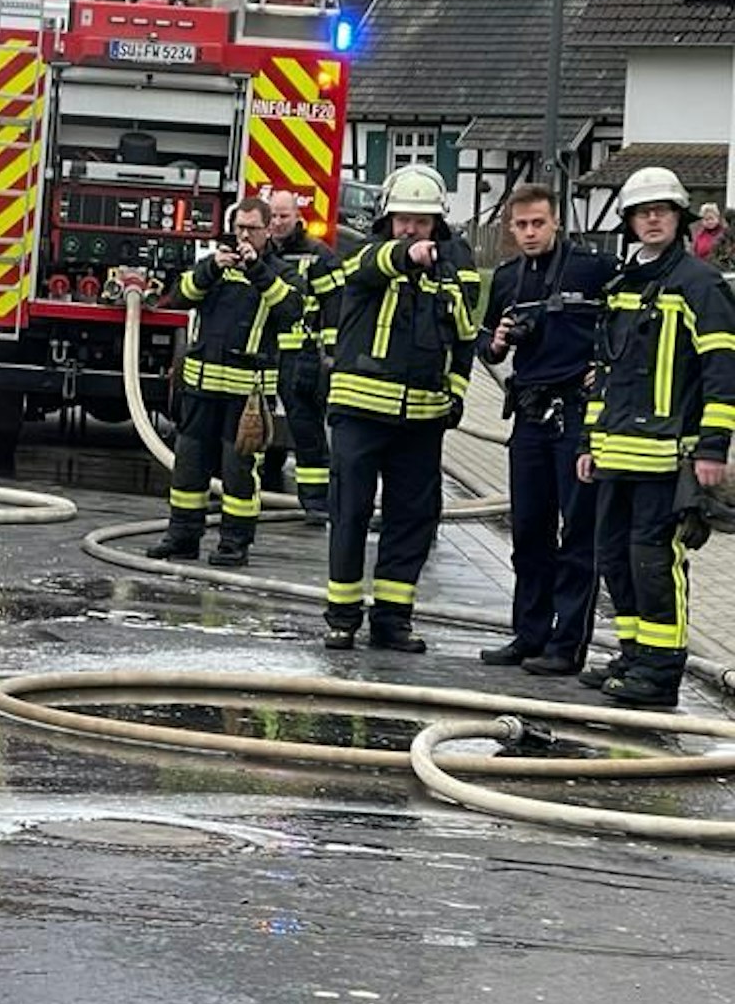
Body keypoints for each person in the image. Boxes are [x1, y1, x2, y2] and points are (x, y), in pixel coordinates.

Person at [577, 166, 735, 708]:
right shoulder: (623, 285)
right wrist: (589, 442)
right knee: (613, 557)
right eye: (643, 212)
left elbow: (721, 368)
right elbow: (606, 372)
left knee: (653, 558)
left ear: (679, 218)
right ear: (628, 221)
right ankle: (633, 652)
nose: (652, 219)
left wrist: (714, 446)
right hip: (617, 451)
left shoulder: (700, 284)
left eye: (661, 211)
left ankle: (662, 669)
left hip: (671, 456)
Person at [323, 164, 480, 652]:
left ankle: (392, 620)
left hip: (421, 421)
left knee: (412, 520)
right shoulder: (364, 256)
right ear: (387, 220)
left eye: (422, 221)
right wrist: (406, 255)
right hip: (360, 413)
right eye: (402, 220)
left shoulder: (451, 275)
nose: (412, 228)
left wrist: (455, 393)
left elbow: (465, 341)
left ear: (438, 224)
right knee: (349, 513)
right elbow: (371, 268)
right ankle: (343, 617)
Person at [475, 183, 615, 676]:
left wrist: (607, 366)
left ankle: (566, 643)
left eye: (539, 223)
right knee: (529, 531)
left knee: (577, 534)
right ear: (510, 228)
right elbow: (486, 343)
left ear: (556, 222)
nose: (531, 232)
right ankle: (528, 632)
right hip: (531, 415)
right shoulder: (509, 277)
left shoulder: (594, 270)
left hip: (576, 414)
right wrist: (493, 345)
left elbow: (626, 323)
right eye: (522, 225)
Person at [147, 196, 298, 567]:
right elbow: (179, 296)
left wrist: (258, 270)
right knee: (188, 466)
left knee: (239, 473)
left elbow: (291, 310)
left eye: (252, 228)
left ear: (268, 230)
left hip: (245, 395)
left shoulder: (280, 272)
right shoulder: (213, 264)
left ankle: (234, 543)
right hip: (200, 389)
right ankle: (182, 536)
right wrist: (210, 269)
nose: (244, 235)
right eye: (240, 227)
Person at [264, 188, 345, 523]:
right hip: (265, 354)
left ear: (298, 216)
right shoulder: (260, 254)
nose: (280, 222)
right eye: (275, 216)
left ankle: (316, 503)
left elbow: (335, 306)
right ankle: (254, 489)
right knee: (255, 424)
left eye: (285, 216)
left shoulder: (318, 255)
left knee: (305, 427)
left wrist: (330, 357)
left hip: (302, 355)